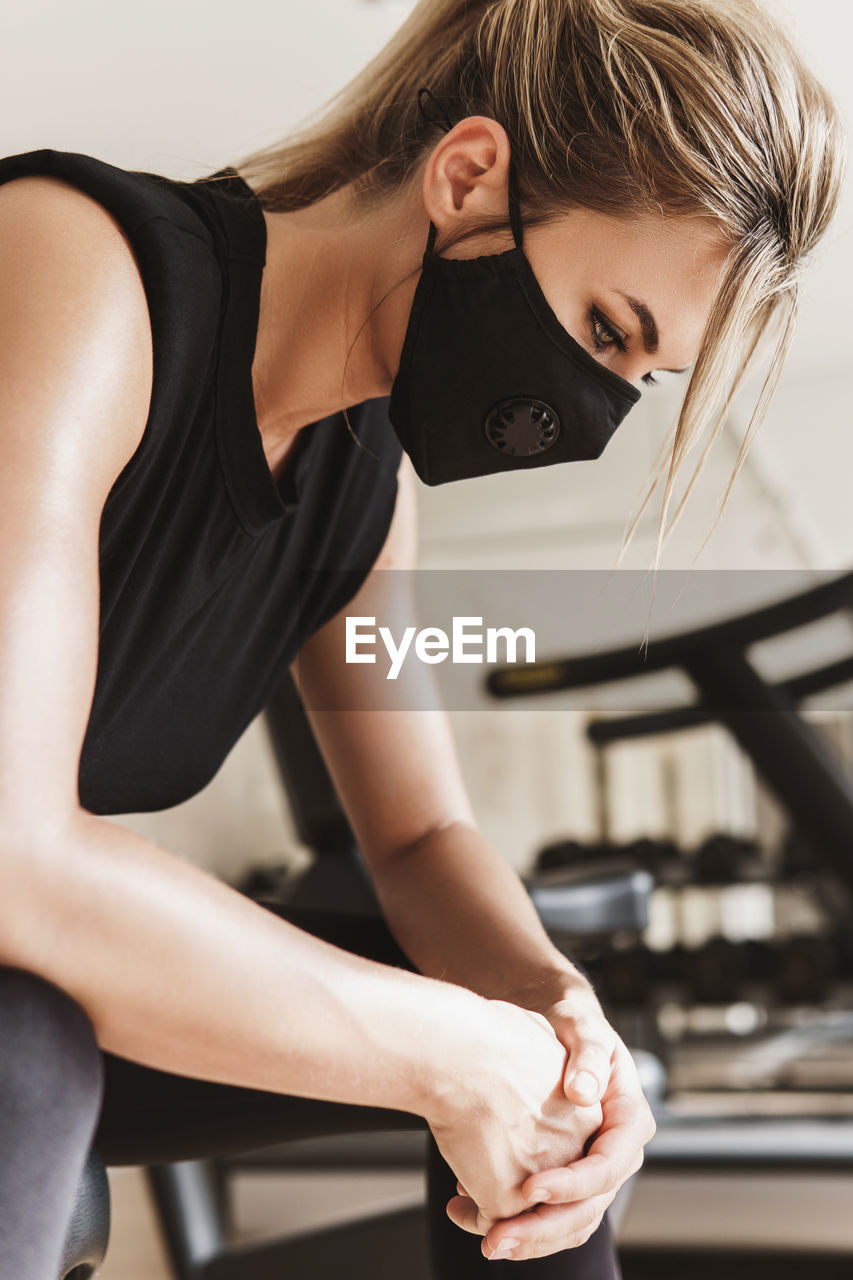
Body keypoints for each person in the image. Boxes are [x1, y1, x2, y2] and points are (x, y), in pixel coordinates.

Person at [0, 0, 843, 1275]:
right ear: (466, 177)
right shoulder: (78, 269)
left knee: (539, 1062)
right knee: (27, 1046)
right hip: (20, 967)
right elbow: (13, 856)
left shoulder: (363, 486)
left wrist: (554, 1011)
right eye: (606, 329)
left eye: (643, 374)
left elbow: (417, 836)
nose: (600, 404)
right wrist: (450, 1056)